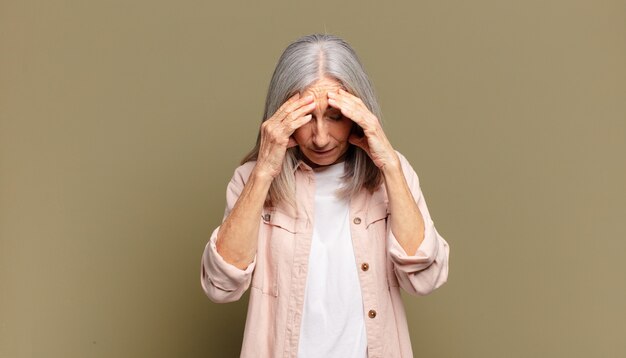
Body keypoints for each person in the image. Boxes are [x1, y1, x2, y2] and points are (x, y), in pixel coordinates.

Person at [201, 33, 449, 358]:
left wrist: (388, 164)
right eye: (306, 118)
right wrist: (263, 172)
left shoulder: (392, 174)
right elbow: (221, 286)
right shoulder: (250, 179)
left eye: (334, 116)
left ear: (358, 113)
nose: (320, 138)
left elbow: (425, 279)